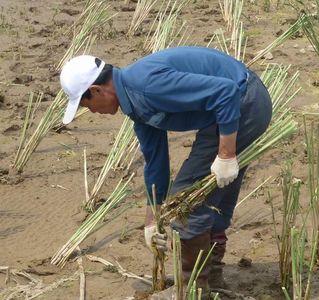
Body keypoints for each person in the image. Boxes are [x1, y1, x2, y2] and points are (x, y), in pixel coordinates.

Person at [60, 46, 272, 299]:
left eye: (87, 105)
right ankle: (210, 276)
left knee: (186, 204)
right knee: (209, 198)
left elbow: (226, 93)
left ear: (96, 90)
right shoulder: (135, 102)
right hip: (227, 112)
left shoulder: (147, 85)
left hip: (243, 104)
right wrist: (151, 221)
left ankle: (193, 289)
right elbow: (155, 162)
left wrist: (226, 154)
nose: (92, 112)